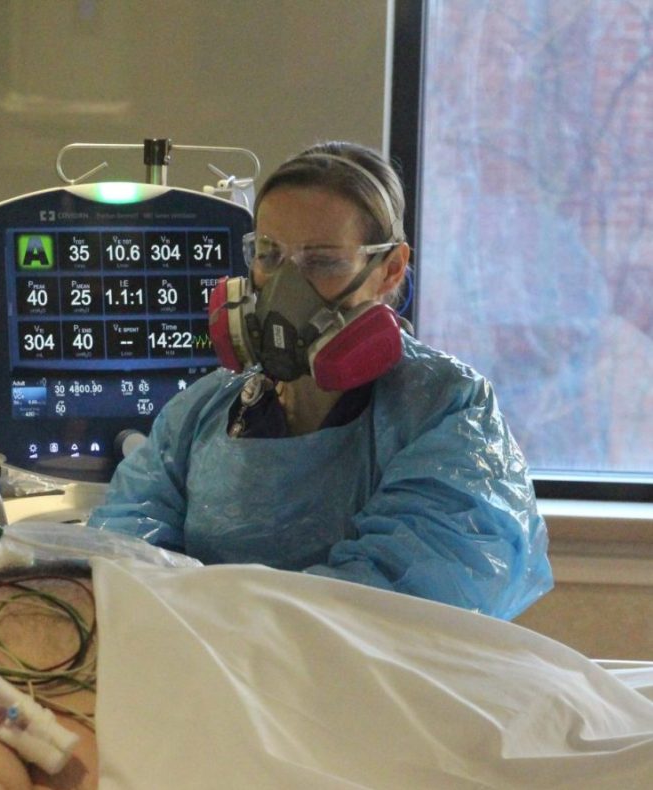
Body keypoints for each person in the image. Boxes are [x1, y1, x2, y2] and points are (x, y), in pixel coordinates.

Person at [87, 140, 553, 620]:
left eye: (323, 261)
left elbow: (401, 603)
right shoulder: (201, 413)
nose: (287, 286)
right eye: (269, 255)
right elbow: (122, 561)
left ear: (389, 269)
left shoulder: (446, 409)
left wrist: (219, 629)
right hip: (208, 681)